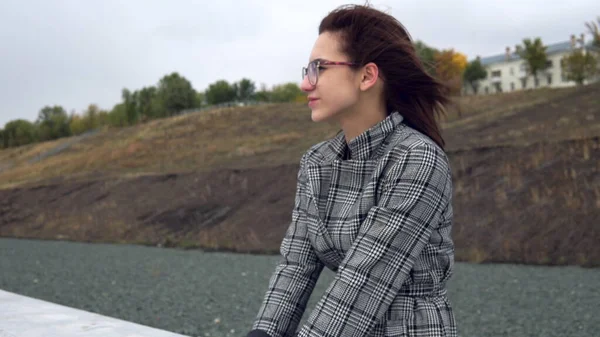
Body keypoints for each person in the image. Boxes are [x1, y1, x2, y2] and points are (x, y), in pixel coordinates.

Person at [247, 4, 456, 337]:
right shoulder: (316, 163)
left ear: (367, 76)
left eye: (319, 68)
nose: (305, 83)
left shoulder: (417, 159)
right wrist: (263, 333)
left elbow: (363, 282)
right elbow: (296, 265)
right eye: (307, 69)